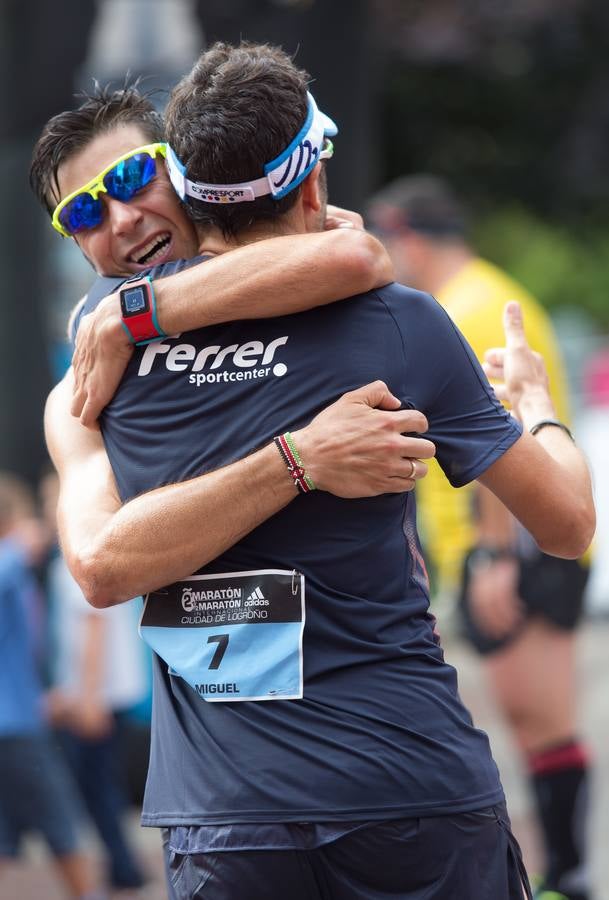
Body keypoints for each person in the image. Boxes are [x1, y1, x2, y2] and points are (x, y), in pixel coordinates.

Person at [38, 42, 594, 900]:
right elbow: (566, 524)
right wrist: (527, 408)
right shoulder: (93, 382)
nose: (118, 222)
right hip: (393, 794)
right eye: (82, 214)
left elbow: (353, 255)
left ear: (185, 175)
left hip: (242, 825)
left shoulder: (116, 362)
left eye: (132, 180)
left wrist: (138, 311)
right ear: (311, 178)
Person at [367, 174, 591, 900]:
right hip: (499, 540)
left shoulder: (464, 306)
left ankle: (568, 874)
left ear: (407, 237)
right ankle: (566, 870)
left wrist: (492, 553)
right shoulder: (485, 292)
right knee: (534, 721)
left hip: (509, 543)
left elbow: (500, 435)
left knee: (539, 719)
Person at [41, 470, 148, 894]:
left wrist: (85, 698)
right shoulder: (104, 550)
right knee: (101, 786)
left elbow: (92, 634)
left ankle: (124, 870)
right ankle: (124, 868)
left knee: (97, 788)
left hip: (98, 695)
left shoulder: (76, 557)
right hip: (106, 692)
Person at [0, 473, 104, 900]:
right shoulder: (11, 565)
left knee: (5, 837)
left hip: (22, 716)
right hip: (17, 729)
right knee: (63, 826)